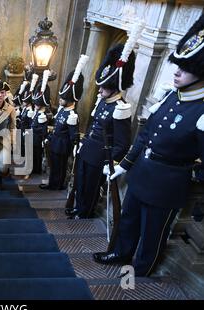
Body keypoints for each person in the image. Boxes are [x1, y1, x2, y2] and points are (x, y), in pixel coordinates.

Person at [93, 15, 204, 277]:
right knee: (129, 220)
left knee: (153, 231)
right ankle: (120, 252)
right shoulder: (170, 96)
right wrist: (124, 166)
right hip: (142, 172)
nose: (177, 72)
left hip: (167, 183)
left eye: (185, 69)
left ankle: (142, 269)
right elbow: (144, 138)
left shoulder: (201, 111)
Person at [69, 23, 143, 219]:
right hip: (88, 150)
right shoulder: (103, 102)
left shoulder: (121, 108)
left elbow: (122, 143)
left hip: (100, 156)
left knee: (91, 188)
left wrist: (109, 162)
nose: (99, 90)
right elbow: (93, 126)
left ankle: (85, 211)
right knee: (80, 182)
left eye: (104, 87)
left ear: (115, 86)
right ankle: (78, 206)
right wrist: (83, 144)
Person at [39, 55, 88, 190]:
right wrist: (49, 138)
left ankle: (57, 185)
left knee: (60, 167)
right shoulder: (62, 110)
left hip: (63, 145)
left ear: (71, 99)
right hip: (55, 142)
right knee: (53, 166)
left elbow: (73, 135)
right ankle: (52, 182)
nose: (60, 100)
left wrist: (74, 146)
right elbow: (56, 127)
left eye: (63, 98)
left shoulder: (72, 115)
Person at [30, 71, 51, 175]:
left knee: (37, 155)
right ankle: (33, 168)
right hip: (33, 138)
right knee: (33, 155)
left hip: (37, 139)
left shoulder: (42, 115)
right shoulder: (37, 113)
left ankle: (36, 170)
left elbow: (43, 130)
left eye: (37, 104)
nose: (36, 105)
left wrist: (43, 139)